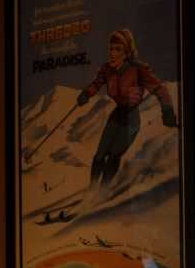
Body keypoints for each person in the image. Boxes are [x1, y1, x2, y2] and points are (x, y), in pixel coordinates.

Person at [76, 26, 177, 193]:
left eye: (118, 49)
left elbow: (159, 89)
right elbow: (96, 83)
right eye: (111, 48)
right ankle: (92, 191)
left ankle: (102, 192)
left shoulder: (138, 69)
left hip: (131, 118)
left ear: (127, 50)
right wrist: (87, 93)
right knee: (100, 154)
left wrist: (167, 111)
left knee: (114, 155)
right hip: (117, 114)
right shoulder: (107, 69)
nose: (113, 52)